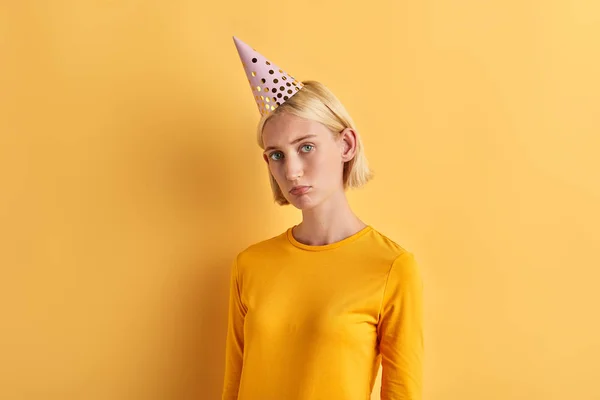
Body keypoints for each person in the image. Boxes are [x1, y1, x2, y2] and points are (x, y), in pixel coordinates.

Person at [222, 36, 424, 400]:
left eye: (306, 147)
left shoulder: (392, 267)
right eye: (277, 155)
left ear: (346, 145)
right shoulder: (250, 264)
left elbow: (402, 393)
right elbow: (233, 387)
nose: (293, 171)